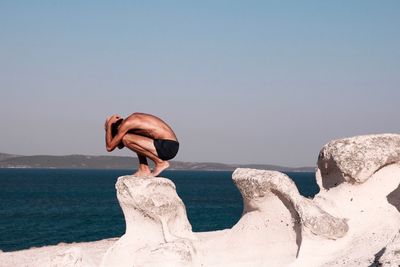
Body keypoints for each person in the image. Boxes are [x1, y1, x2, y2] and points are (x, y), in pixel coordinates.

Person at [104, 112, 179, 176]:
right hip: (169, 144)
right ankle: (144, 168)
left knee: (125, 138)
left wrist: (109, 125)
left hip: (168, 146)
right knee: (133, 140)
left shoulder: (127, 124)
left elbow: (110, 147)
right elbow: (120, 146)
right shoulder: (133, 121)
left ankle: (160, 163)